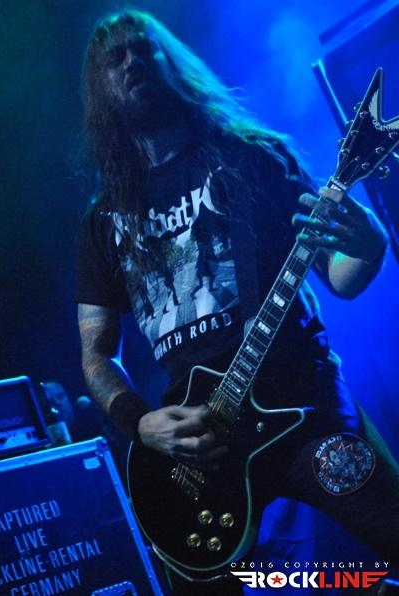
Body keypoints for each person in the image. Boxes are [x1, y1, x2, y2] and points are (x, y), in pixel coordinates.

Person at [75, 9, 399, 594]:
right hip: (196, 446)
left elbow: (338, 278)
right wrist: (140, 423)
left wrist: (370, 246)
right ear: (100, 88)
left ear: (171, 62)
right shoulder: (104, 220)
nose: (132, 63)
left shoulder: (254, 157)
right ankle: (333, 586)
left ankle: (351, 583)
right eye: (114, 59)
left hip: (302, 406)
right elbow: (97, 355)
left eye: (143, 49)